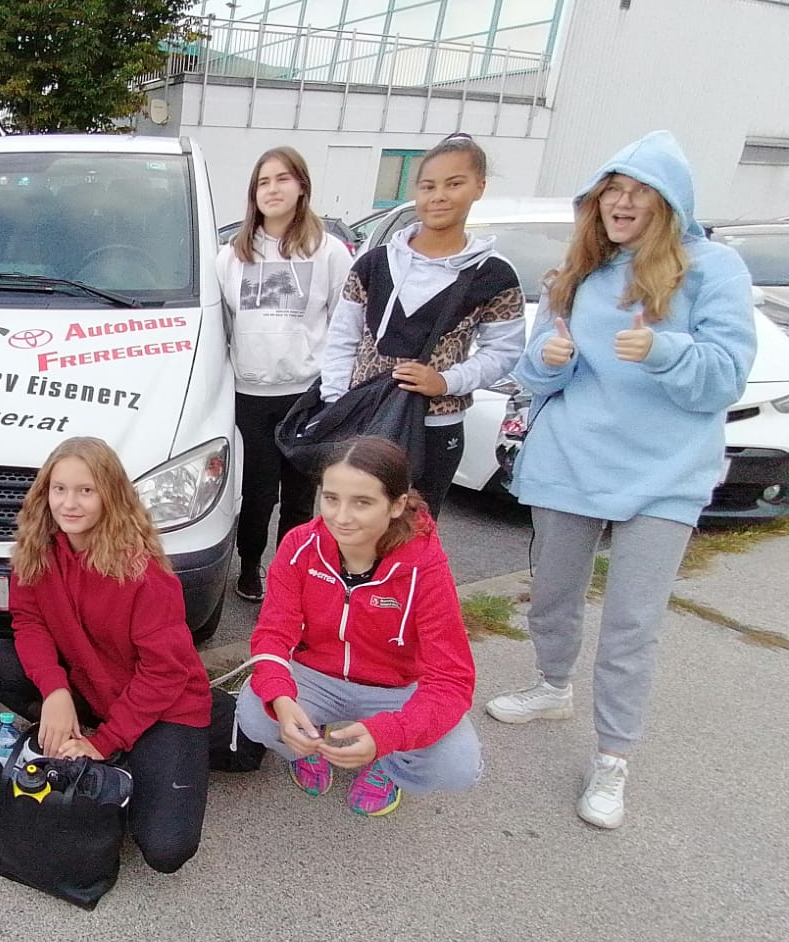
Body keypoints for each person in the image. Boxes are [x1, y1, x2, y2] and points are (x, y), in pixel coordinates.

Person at [485, 131, 755, 830]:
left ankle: (613, 757)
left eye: (637, 190)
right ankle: (552, 684)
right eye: (611, 189)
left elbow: (725, 377)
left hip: (665, 475)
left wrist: (667, 350)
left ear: (668, 203)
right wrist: (548, 358)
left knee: (633, 622)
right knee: (552, 593)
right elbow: (540, 380)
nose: (621, 202)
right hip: (571, 462)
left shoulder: (712, 268)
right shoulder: (577, 275)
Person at [0, 437, 263, 877]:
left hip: (165, 705)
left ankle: (235, 726)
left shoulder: (142, 571)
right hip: (94, 687)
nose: (69, 503)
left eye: (85, 490)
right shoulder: (37, 548)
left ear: (110, 494)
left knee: (165, 851)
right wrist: (55, 692)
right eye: (59, 489)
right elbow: (28, 623)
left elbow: (164, 674)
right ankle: (80, 729)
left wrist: (102, 744)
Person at [235, 435, 481, 817]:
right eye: (331, 498)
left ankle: (388, 765)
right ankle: (310, 746)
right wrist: (280, 697)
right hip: (316, 674)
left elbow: (451, 679)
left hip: (395, 686)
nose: (341, 517)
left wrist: (390, 735)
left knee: (456, 764)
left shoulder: (425, 566)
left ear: (396, 505)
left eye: (362, 502)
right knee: (254, 712)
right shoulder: (300, 546)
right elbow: (272, 634)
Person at [319, 133, 524, 516]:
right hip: (364, 418)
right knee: (350, 525)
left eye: (455, 183)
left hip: (436, 426)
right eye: (428, 186)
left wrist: (447, 381)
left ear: (479, 187)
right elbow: (341, 340)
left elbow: (504, 351)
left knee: (415, 529)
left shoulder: (493, 275)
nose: (439, 196)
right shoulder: (373, 263)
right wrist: (336, 405)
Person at [217, 146, 352, 603]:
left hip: (306, 395)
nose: (272, 189)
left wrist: (335, 392)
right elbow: (221, 328)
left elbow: (344, 324)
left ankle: (291, 574)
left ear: (302, 186)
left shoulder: (330, 252)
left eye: (282, 179)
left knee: (299, 497)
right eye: (263, 182)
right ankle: (250, 564)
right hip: (249, 394)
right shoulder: (231, 256)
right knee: (256, 493)